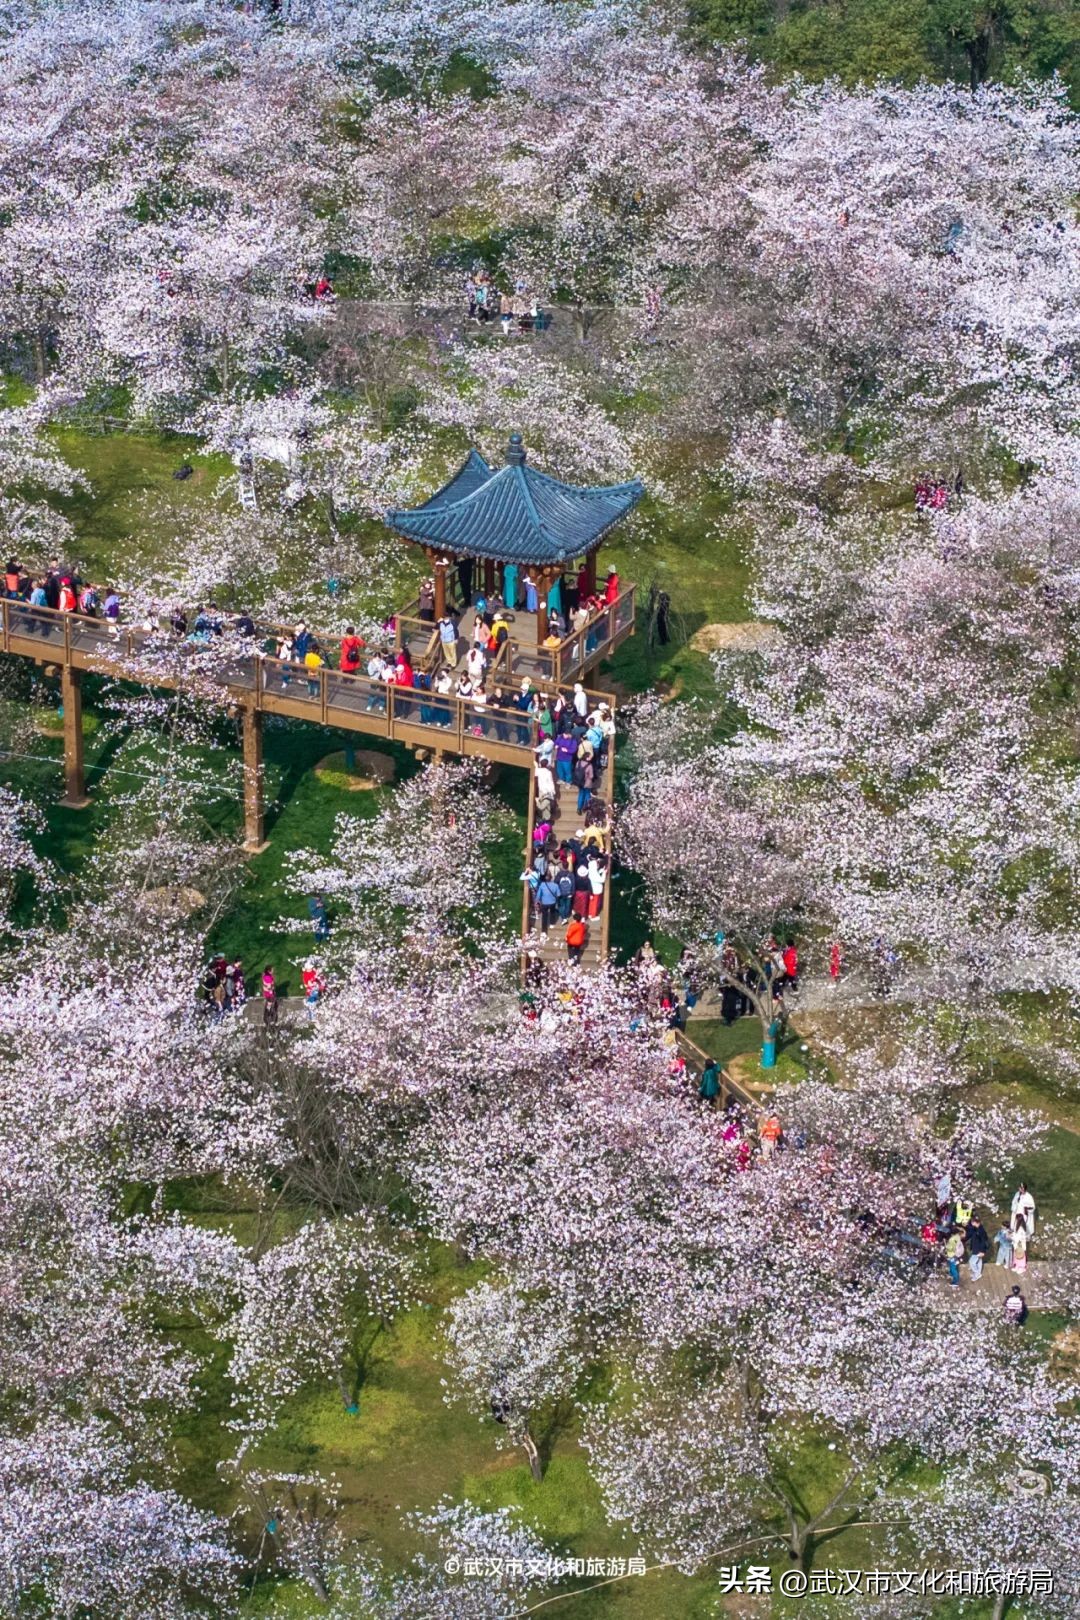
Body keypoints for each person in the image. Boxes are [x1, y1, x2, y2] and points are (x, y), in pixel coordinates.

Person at [966, 1213, 989, 1281]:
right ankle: (978, 1273)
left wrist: (982, 1251)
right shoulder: (977, 1227)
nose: (971, 1223)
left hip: (978, 1249)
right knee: (979, 1261)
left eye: (972, 1222)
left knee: (972, 1262)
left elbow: (983, 1241)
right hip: (975, 1247)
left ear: (975, 1222)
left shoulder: (981, 1231)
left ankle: (977, 1274)